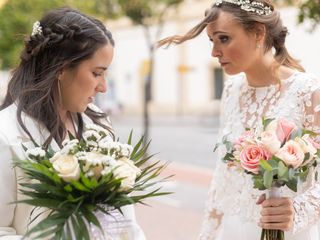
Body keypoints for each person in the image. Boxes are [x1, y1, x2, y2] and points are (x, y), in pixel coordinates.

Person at [158, 0, 320, 239]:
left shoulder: (308, 92)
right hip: (233, 230)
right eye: (212, 41)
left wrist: (297, 210)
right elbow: (223, 176)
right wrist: (208, 233)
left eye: (223, 39)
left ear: (257, 32)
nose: (214, 52)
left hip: (288, 231)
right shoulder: (231, 90)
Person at [0, 7, 145, 240]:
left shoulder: (98, 123)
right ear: (62, 68)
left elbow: (124, 219)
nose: (103, 87)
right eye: (97, 73)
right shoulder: (5, 135)